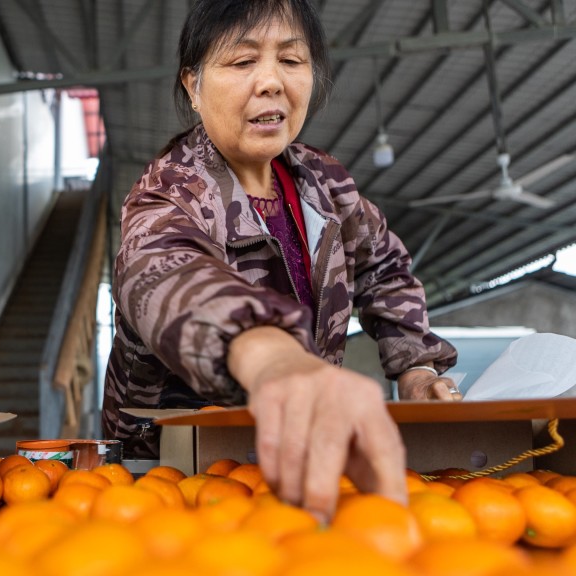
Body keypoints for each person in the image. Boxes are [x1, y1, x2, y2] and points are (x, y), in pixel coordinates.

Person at [102, 0, 459, 521]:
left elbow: (385, 267)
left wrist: (417, 369)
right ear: (192, 86)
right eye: (242, 62)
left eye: (291, 61)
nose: (271, 82)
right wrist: (274, 360)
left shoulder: (324, 183)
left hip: (292, 466)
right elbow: (167, 275)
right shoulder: (170, 192)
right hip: (172, 479)